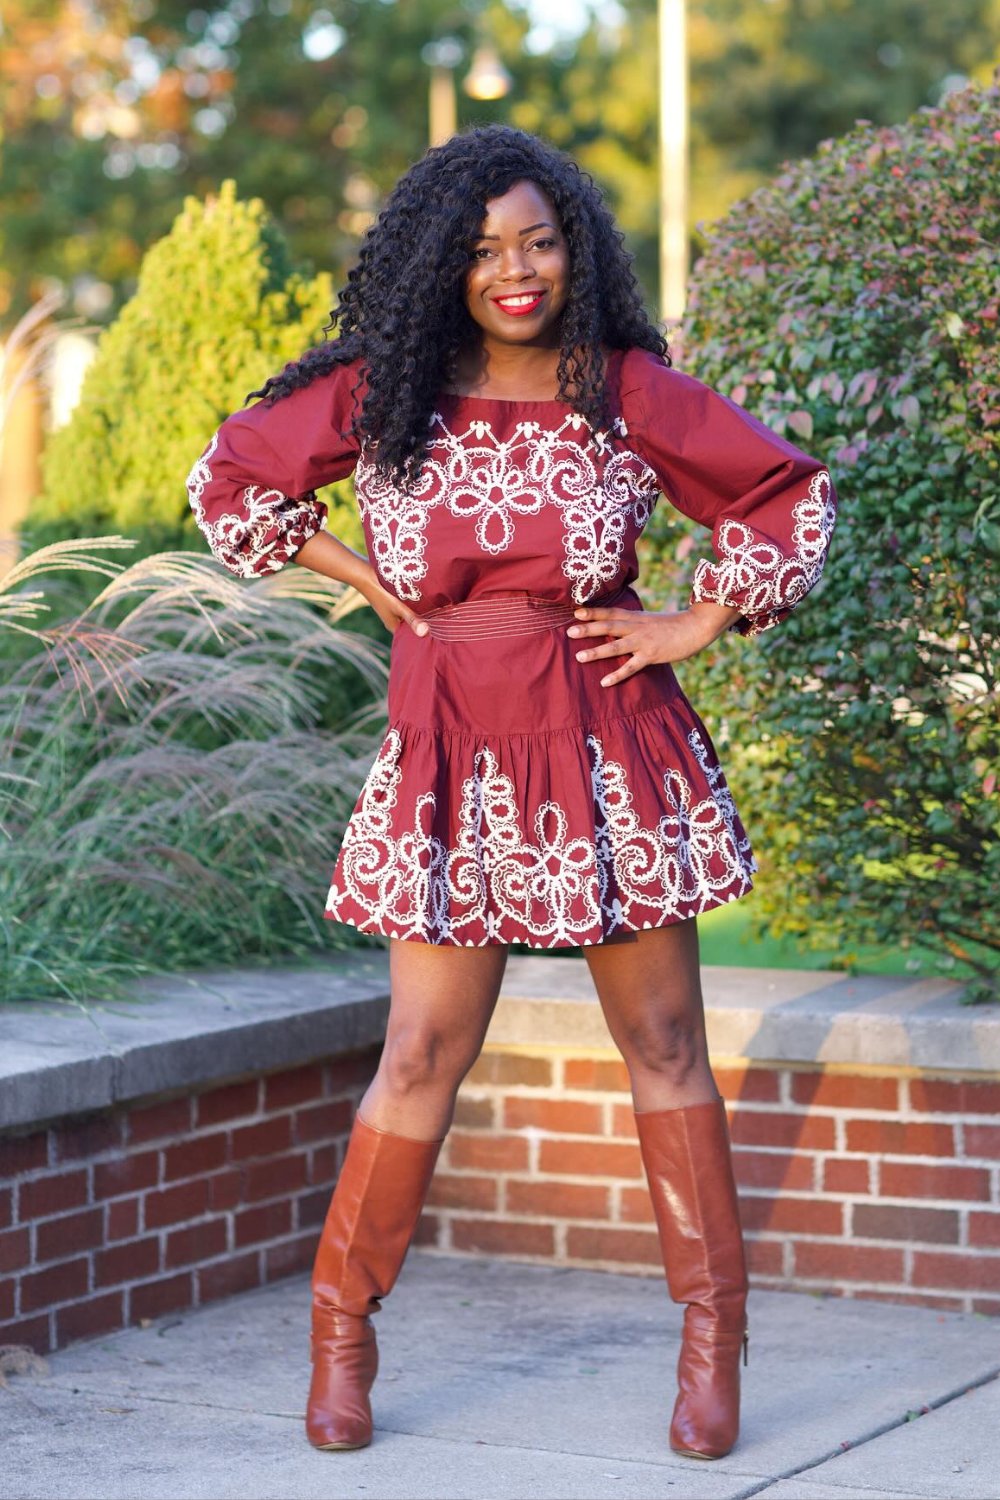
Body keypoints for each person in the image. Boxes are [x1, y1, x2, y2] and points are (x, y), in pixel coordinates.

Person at [186, 124, 837, 1462]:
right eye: (484, 250)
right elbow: (231, 477)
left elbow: (785, 495)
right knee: (421, 1051)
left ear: (575, 248)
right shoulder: (387, 392)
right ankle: (341, 1339)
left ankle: (712, 1343)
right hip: (449, 754)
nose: (517, 271)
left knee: (665, 1044)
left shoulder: (625, 389)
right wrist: (365, 578)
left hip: (610, 747)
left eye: (540, 242)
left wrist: (696, 619)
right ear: (443, 262)